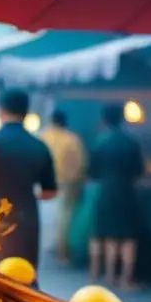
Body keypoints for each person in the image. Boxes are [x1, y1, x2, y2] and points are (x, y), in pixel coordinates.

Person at [0, 89, 57, 272]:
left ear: (1, 110)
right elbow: (49, 192)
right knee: (25, 276)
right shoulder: (39, 146)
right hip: (27, 219)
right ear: (27, 112)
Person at [89, 104, 146, 290]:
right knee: (128, 237)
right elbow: (139, 171)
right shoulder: (132, 142)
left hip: (105, 192)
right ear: (123, 118)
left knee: (108, 235)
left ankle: (109, 276)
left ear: (104, 120)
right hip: (127, 192)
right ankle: (126, 279)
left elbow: (93, 173)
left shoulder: (100, 143)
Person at [39, 109, 87, 263]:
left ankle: (40, 251)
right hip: (64, 184)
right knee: (63, 219)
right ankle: (61, 252)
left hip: (40, 184)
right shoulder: (71, 140)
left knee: (43, 217)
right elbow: (80, 165)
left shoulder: (41, 137)